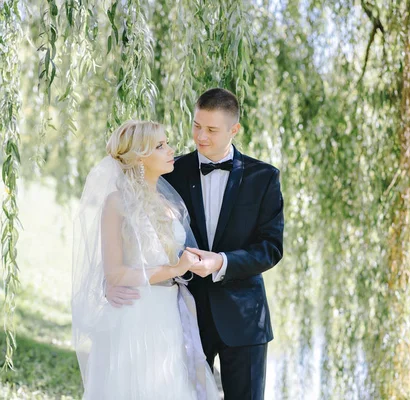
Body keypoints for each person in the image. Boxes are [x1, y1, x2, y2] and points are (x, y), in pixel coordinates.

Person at [107, 88, 284, 400]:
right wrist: (112, 281)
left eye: (212, 130)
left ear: (234, 129)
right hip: (181, 317)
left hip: (244, 320)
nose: (201, 137)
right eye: (196, 125)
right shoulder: (168, 171)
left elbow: (270, 248)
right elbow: (128, 229)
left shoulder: (264, 177)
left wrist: (220, 262)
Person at [71, 120, 220, 400]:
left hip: (171, 315)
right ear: (139, 157)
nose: (170, 149)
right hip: (137, 313)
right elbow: (114, 274)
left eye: (167, 143)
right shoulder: (116, 203)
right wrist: (175, 268)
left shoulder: (170, 204)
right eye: (160, 146)